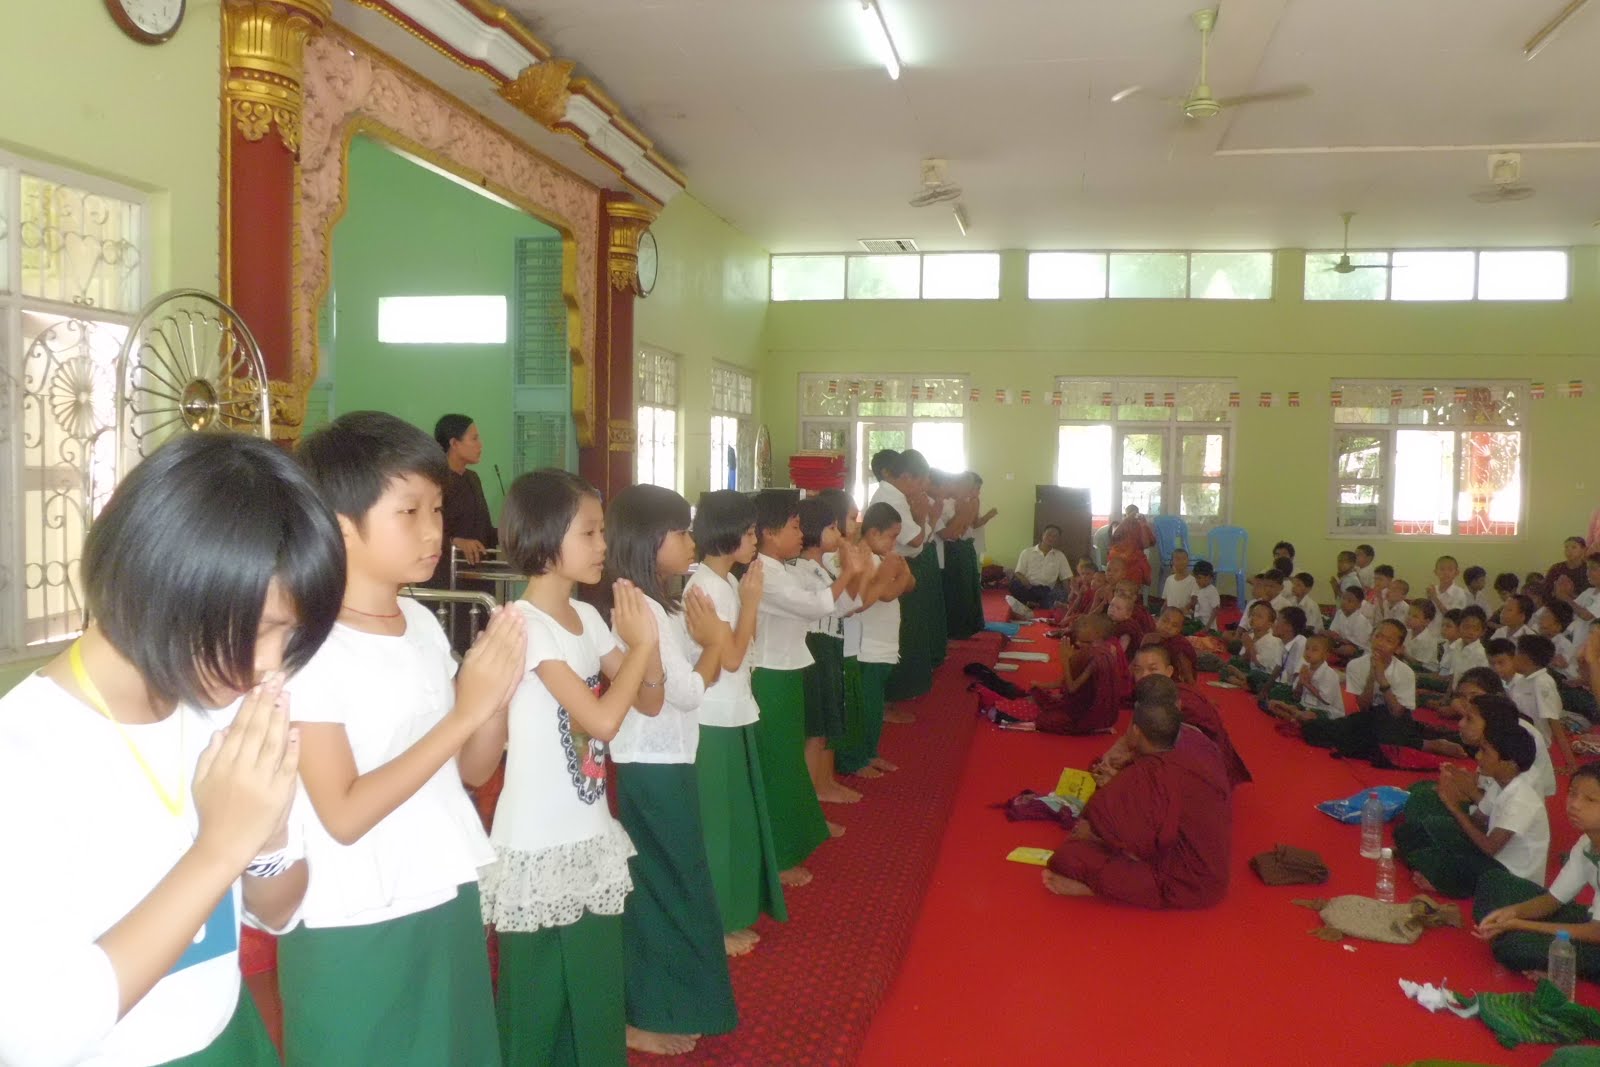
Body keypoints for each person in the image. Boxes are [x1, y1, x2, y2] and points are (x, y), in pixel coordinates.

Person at [0, 433, 342, 1067]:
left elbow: (278, 912)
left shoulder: (218, 710)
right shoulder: (22, 755)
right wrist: (219, 848)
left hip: (231, 1038)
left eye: (288, 634)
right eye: (260, 628)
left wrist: (265, 842)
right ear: (164, 582)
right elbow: (33, 1037)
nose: (270, 665)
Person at [282, 413, 527, 1066]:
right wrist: (463, 713)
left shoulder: (418, 620)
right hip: (357, 911)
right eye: (409, 511)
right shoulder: (307, 647)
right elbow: (343, 814)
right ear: (341, 526)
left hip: (442, 884)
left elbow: (471, 771)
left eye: (437, 509)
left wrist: (493, 701)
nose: (432, 530)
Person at [479, 469, 662, 1067]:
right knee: (534, 1005)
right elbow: (602, 720)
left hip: (588, 833)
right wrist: (641, 649)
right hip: (537, 842)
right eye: (589, 532)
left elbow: (649, 701)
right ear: (545, 535)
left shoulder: (587, 616)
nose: (603, 545)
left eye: (602, 531)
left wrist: (646, 649)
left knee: (594, 990)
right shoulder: (524, 625)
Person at [602, 484, 738, 1056]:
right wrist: (714, 644)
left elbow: (695, 679)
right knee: (663, 887)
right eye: (681, 532)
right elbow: (682, 692)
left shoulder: (663, 604)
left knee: (673, 882)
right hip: (648, 763)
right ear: (649, 539)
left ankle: (669, 1002)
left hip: (667, 759)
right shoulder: (644, 608)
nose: (691, 542)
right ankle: (645, 1012)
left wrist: (709, 644)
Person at [684, 491, 786, 957]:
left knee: (735, 823)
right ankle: (716, 923)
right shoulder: (705, 587)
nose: (754, 540)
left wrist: (748, 602)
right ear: (726, 535)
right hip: (712, 718)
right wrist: (751, 602)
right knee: (717, 829)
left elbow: (743, 644)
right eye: (748, 533)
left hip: (733, 711)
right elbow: (729, 657)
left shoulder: (725, 581)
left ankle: (731, 911)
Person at [749, 490, 861, 885]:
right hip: (770, 674)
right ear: (768, 532)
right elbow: (813, 606)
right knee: (778, 765)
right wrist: (848, 572)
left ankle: (794, 838)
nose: (801, 534)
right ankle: (776, 857)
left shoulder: (780, 568)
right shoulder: (765, 573)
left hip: (788, 669)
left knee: (789, 761)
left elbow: (822, 603)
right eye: (794, 527)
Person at [1043, 676, 1231, 909]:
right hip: (1212, 865)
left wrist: (1089, 832)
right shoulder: (1195, 740)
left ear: (1135, 730)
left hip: (1186, 881)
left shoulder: (1148, 774)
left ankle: (1094, 888)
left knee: (1068, 857)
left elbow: (1100, 830)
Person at [1474, 764, 1600, 981]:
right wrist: (1512, 912)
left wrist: (1520, 924)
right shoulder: (1585, 843)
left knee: (1517, 949)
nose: (1575, 805)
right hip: (1593, 920)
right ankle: (1511, 937)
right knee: (1493, 881)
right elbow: (1552, 900)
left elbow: (1595, 933)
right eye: (1572, 794)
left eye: (1590, 800)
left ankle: (1514, 940)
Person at [1399, 716, 1548, 899]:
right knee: (1416, 831)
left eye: (1485, 752)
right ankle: (1440, 872)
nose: (1478, 756)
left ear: (1509, 763)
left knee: (1437, 860)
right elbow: (1478, 821)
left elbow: (1490, 847)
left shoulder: (1522, 799)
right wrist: (1453, 794)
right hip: (1491, 858)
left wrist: (1453, 806)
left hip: (1511, 877)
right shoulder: (1500, 783)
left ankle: (1444, 879)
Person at [791, 496, 865, 806]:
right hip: (815, 646)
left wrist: (852, 570)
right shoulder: (800, 570)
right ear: (813, 530)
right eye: (831, 528)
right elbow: (823, 607)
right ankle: (812, 795)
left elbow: (847, 606)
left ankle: (825, 782)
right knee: (816, 727)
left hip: (831, 643)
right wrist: (849, 571)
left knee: (827, 723)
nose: (838, 534)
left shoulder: (821, 569)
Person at [1096, 645, 1250, 790]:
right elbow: (1133, 733)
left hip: (1199, 770)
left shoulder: (1183, 703)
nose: (1144, 676)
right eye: (1138, 670)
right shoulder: (1149, 694)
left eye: (1153, 669)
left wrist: (1124, 772)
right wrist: (1111, 756)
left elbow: (1173, 753)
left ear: (1169, 671)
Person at [835, 502, 913, 781]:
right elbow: (884, 594)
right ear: (874, 533)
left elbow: (909, 584)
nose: (894, 543)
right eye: (892, 536)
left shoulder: (881, 557)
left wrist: (901, 574)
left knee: (874, 703)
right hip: (865, 645)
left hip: (883, 643)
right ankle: (854, 758)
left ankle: (869, 752)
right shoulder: (863, 557)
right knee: (863, 707)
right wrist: (895, 574)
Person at [869, 449, 936, 703]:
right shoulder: (892, 499)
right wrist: (922, 516)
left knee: (907, 629)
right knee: (902, 632)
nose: (922, 488)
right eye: (920, 481)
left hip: (900, 565)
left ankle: (901, 691)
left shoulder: (895, 495)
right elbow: (916, 539)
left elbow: (917, 540)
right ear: (906, 476)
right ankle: (894, 695)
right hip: (892, 569)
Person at [1301, 619, 1420, 761]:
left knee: (1384, 739)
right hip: (1368, 718)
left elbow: (1397, 712)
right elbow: (1364, 707)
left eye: (1389, 641)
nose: (1380, 643)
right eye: (1378, 636)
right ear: (1371, 637)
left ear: (1398, 648)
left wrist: (1382, 679)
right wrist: (1371, 676)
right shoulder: (1355, 665)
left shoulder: (1405, 672)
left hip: (1394, 722)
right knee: (1313, 729)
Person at [1032, 613, 1126, 735]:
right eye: (1078, 640)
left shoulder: (1097, 658)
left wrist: (1065, 661)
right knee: (1039, 694)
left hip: (1090, 714)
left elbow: (1072, 688)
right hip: (1091, 707)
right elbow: (1064, 682)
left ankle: (1093, 728)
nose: (1078, 643)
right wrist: (1040, 685)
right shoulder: (1099, 651)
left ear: (1097, 638)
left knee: (1042, 721)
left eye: (1083, 641)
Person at [1510, 634, 1577, 772]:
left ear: (1525, 658)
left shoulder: (1542, 682)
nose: (1513, 658)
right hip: (1519, 738)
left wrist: (1570, 763)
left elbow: (1554, 723)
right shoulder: (1521, 680)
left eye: (1516, 653)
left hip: (1536, 746)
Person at [940, 472, 987, 639]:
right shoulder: (946, 503)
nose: (973, 492)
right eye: (972, 487)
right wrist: (966, 511)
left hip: (965, 545)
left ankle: (971, 624)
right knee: (957, 589)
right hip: (953, 547)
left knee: (969, 587)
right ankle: (958, 628)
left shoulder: (967, 501)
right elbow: (955, 532)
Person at [1266, 633, 1346, 723]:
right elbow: (1296, 696)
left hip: (1326, 711)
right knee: (1275, 698)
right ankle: (1294, 713)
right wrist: (1300, 682)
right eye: (1307, 648)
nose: (1308, 652)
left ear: (1326, 654)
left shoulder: (1330, 674)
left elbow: (1326, 701)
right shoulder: (1305, 668)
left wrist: (1307, 684)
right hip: (1305, 706)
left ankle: (1293, 714)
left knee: (1310, 716)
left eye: (1314, 650)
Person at [1218, 603, 1284, 691]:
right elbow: (1245, 660)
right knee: (1229, 665)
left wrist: (1250, 646)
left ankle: (1243, 681)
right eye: (1252, 614)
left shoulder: (1273, 641)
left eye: (1259, 616)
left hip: (1265, 675)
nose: (1254, 618)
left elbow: (1259, 664)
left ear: (1270, 624)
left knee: (1255, 675)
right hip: (1250, 670)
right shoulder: (1250, 636)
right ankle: (1243, 681)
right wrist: (1246, 650)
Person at [1010, 524, 1073, 609]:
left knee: (1058, 595)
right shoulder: (1027, 552)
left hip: (1045, 590)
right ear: (1043, 534)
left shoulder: (1060, 556)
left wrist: (1069, 596)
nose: (1051, 538)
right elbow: (1018, 572)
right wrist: (1027, 584)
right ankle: (1036, 603)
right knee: (1014, 585)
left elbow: (1065, 578)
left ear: (1058, 540)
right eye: (1049, 534)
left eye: (1055, 536)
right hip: (1028, 587)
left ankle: (1033, 603)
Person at [1107, 504, 1155, 591]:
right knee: (1118, 566)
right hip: (1118, 557)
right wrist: (1127, 519)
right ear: (1125, 515)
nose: (1133, 516)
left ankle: (1131, 593)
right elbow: (1114, 535)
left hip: (1134, 558)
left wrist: (1143, 525)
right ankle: (1115, 590)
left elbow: (1146, 544)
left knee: (1137, 569)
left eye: (1135, 514)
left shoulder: (1140, 526)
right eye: (1129, 513)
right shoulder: (1118, 524)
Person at [1328, 586, 1373, 661]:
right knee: (1324, 638)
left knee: (1348, 649)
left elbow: (1359, 645)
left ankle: (1333, 652)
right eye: (1343, 598)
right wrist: (1332, 635)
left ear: (1359, 605)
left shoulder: (1361, 621)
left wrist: (1340, 639)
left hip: (1359, 650)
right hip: (1341, 643)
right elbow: (1334, 631)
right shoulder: (1339, 613)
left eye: (1349, 601)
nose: (1344, 602)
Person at [1161, 548, 1199, 616]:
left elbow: (1194, 600)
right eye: (1178, 559)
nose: (1181, 561)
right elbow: (1166, 601)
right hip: (1169, 617)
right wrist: (1161, 613)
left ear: (1188, 561)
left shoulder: (1193, 581)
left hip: (1184, 617)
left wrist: (1183, 610)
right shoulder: (1169, 580)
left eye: (1184, 558)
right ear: (1172, 562)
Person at [1191, 560, 1221, 632]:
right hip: (1198, 624)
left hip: (1209, 627)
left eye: (1199, 578)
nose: (1197, 581)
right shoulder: (1197, 588)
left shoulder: (1212, 590)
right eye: (1196, 578)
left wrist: (1207, 627)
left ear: (1208, 577)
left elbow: (1216, 609)